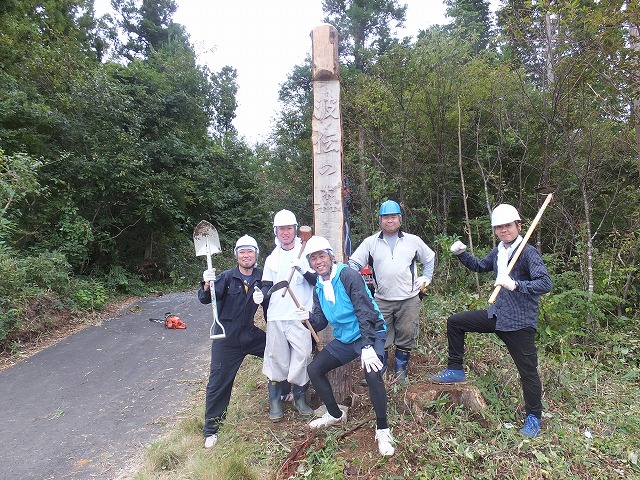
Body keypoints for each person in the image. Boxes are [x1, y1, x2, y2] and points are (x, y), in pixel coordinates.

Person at [430, 203, 552, 438]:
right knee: (456, 322)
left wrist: (516, 284)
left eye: (508, 225)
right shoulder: (500, 251)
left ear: (518, 226)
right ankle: (455, 369)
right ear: (495, 230)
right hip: (496, 316)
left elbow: (545, 283)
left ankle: (534, 417)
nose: (504, 230)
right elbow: (481, 266)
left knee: (528, 372)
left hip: (519, 322)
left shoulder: (527, 252)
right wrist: (461, 254)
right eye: (499, 227)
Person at [298, 235, 395, 457]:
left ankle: (382, 428)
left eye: (321, 256)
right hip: (345, 339)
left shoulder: (347, 275)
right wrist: (306, 318)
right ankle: (334, 414)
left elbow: (364, 310)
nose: (318, 261)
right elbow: (320, 322)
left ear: (331, 257)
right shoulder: (319, 287)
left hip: (370, 333)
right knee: (315, 369)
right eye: (313, 258)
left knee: (372, 374)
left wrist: (368, 345)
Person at [348, 200, 435, 381]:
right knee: (380, 334)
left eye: (393, 217)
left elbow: (429, 258)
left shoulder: (413, 240)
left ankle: (400, 370)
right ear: (380, 220)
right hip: (381, 298)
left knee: (407, 333)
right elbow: (353, 264)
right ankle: (381, 368)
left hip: (409, 298)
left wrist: (426, 277)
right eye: (386, 217)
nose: (390, 221)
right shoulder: (370, 242)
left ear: (400, 219)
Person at [198, 235, 267, 449]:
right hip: (226, 337)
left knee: (279, 351)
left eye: (250, 251)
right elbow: (205, 298)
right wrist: (207, 283)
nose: (246, 255)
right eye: (242, 252)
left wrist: (264, 294)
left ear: (256, 254)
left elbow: (271, 293)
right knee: (218, 382)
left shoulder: (262, 276)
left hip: (249, 333)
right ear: (236, 255)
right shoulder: (227, 277)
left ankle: (284, 393)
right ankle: (212, 430)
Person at [253, 209, 315, 421]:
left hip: (300, 315)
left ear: (296, 230)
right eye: (281, 229)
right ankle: (275, 401)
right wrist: (260, 294)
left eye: (289, 228)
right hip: (277, 316)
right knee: (276, 359)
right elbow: (267, 285)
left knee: (304, 355)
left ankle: (299, 398)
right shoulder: (273, 258)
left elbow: (317, 280)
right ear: (276, 232)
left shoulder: (306, 252)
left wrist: (303, 271)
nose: (285, 232)